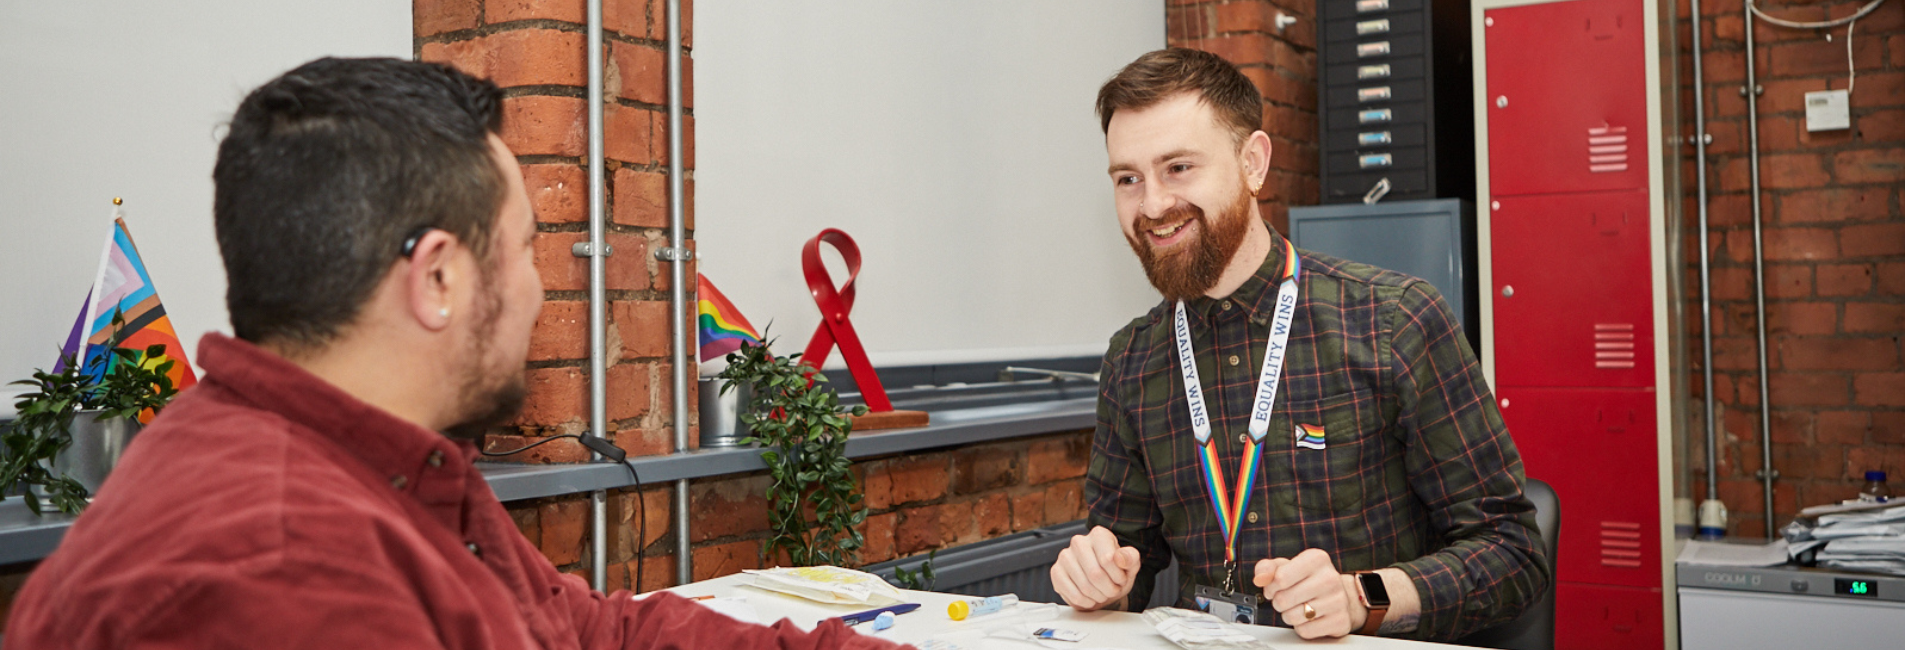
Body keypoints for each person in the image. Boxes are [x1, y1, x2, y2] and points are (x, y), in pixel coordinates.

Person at [5, 58, 901, 650]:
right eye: (524, 250)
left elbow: (582, 632)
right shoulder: (280, 572)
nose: (542, 289)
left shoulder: (388, 461)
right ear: (436, 277)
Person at [1049, 48, 1549, 642]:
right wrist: (1102, 578)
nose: (1152, 205)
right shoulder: (1132, 360)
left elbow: (1512, 552)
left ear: (1253, 163)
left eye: (1178, 167)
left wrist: (1362, 597)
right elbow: (1126, 557)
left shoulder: (1394, 321)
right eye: (1128, 178)